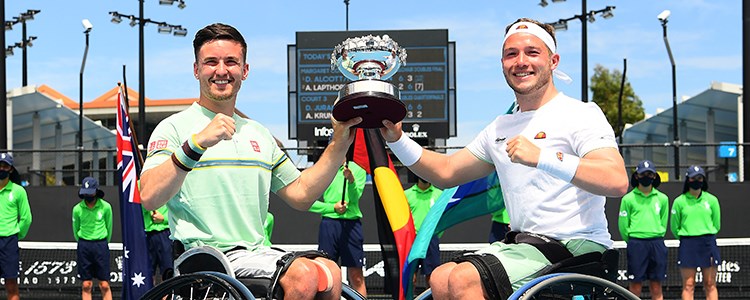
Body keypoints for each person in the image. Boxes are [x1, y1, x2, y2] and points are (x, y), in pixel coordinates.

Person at [379, 17, 629, 299]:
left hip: (580, 249)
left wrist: (542, 157)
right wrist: (396, 139)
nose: (521, 61)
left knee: (462, 279)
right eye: (512, 54)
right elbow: (446, 172)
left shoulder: (581, 113)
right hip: (526, 247)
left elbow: (616, 180)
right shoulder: (500, 127)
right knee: (440, 277)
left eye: (532, 52)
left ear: (553, 61)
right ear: (503, 63)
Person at [139, 23, 361, 299]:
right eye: (211, 62)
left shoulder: (259, 134)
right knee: (302, 276)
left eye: (231, 62)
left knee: (329, 271)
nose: (221, 70)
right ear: (197, 70)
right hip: (204, 259)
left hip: (257, 255)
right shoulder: (173, 128)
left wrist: (339, 144)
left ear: (244, 71)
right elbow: (148, 196)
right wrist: (195, 145)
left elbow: (302, 194)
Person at [308, 161, 368, 297]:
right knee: (328, 275)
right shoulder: (323, 168)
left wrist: (351, 180)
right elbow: (308, 202)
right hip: (329, 225)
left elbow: (355, 198)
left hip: (351, 226)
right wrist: (332, 208)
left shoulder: (359, 169)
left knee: (356, 276)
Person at [618, 160, 668, 300]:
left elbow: (663, 222)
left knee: (656, 286)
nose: (646, 177)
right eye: (643, 174)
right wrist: (633, 240)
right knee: (635, 286)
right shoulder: (628, 199)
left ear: (654, 177)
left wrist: (655, 234)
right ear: (637, 176)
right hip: (636, 244)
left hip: (656, 243)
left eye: (650, 174)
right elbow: (623, 225)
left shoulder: (663, 199)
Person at [671, 165, 721, 300]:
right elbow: (674, 227)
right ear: (688, 180)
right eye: (693, 178)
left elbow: (716, 224)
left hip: (707, 243)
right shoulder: (679, 201)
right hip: (688, 244)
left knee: (710, 283)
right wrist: (688, 235)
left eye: (699, 178)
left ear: (703, 180)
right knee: (688, 284)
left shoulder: (712, 200)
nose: (696, 180)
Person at [72, 177, 113, 300]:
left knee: (104, 285)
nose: (88, 195)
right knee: (86, 285)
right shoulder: (77, 209)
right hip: (84, 246)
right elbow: (75, 229)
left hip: (101, 246)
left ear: (96, 191)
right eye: (85, 192)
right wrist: (83, 241)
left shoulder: (106, 207)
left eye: (90, 192)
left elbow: (109, 227)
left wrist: (104, 242)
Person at [0, 153, 32, 300]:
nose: (2, 168)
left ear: (11, 169)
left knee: (11, 283)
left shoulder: (18, 191)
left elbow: (26, 218)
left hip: (9, 242)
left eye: (5, 166)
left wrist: (16, 234)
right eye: (0, 165)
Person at [404, 175, 443, 286]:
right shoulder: (406, 194)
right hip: (412, 240)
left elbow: (442, 218)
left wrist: (435, 234)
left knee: (432, 279)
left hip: (430, 240)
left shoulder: (439, 194)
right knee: (410, 278)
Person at [142, 205, 173, 282]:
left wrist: (164, 219)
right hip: (147, 234)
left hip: (165, 234)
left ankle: (167, 293)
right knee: (147, 272)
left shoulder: (170, 195)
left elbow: (177, 212)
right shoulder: (142, 195)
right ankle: (150, 293)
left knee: (167, 271)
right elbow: (138, 211)